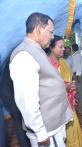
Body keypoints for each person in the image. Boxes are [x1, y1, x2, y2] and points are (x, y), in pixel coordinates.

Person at [9, 12, 72, 147]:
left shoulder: (37, 50)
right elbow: (27, 100)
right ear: (38, 30)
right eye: (50, 32)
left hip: (53, 126)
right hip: (44, 132)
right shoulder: (23, 56)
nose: (52, 36)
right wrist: (40, 133)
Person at [47, 35, 82, 147]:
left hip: (69, 103)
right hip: (58, 107)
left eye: (64, 46)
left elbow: (68, 77)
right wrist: (65, 87)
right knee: (61, 137)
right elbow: (48, 88)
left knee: (71, 130)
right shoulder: (47, 65)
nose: (64, 48)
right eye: (60, 46)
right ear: (51, 48)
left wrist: (71, 85)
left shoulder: (63, 61)